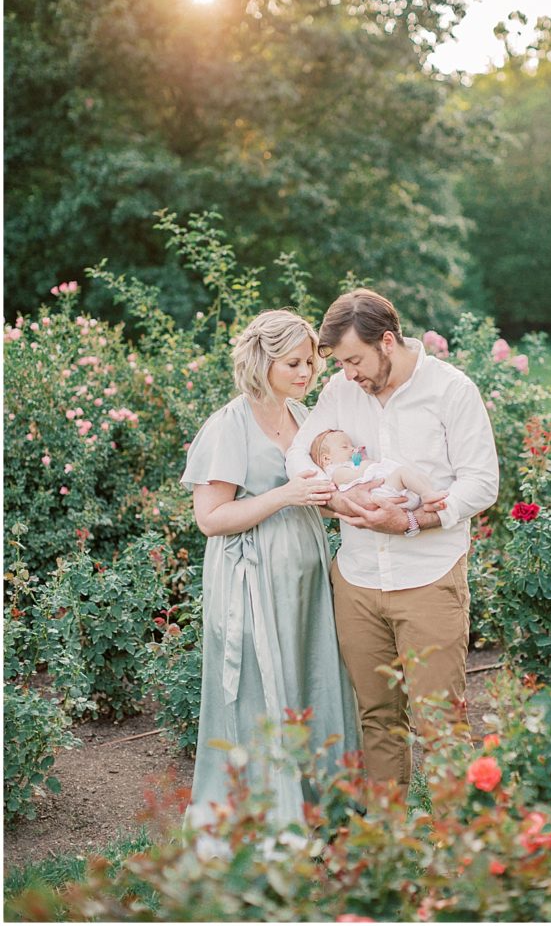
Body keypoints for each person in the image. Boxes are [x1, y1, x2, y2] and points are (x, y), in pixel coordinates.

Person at [285, 289, 499, 799]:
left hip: (428, 580)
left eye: (354, 360)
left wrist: (408, 521)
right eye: (339, 363)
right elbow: (299, 455)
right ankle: (387, 852)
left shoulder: (451, 391)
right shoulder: (341, 392)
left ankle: (457, 857)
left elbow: (481, 483)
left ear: (387, 341)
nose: (348, 374)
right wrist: (340, 502)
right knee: (377, 720)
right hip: (356, 580)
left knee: (441, 725)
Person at [181, 309, 360, 830]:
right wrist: (287, 494)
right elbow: (210, 519)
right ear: (263, 361)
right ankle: (267, 814)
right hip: (252, 581)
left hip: (306, 579)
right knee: (263, 688)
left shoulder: (304, 418)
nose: (306, 373)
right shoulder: (229, 425)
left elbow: (316, 496)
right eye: (294, 363)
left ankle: (321, 803)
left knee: (313, 677)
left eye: (310, 363)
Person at [310, 428, 448, 511]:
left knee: (419, 476)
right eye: (345, 447)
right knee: (402, 472)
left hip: (389, 491)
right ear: (327, 459)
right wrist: (364, 462)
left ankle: (428, 499)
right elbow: (359, 475)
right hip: (382, 494)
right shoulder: (337, 472)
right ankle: (426, 495)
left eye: (352, 445)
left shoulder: (349, 465)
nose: (352, 449)